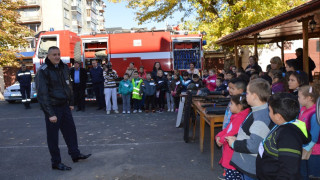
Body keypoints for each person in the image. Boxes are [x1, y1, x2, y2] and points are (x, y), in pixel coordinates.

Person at [36, 46, 91, 171]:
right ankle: (56, 162)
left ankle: (75, 155)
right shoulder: (43, 71)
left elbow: (68, 86)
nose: (57, 57)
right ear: (48, 56)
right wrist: (50, 114)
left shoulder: (64, 67)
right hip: (53, 108)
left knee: (71, 131)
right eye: (54, 54)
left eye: (58, 54)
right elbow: (42, 94)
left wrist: (71, 102)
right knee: (53, 137)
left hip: (65, 106)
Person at [226, 78, 274, 180]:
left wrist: (234, 144)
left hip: (251, 166)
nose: (245, 95)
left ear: (255, 96)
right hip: (247, 163)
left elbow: (253, 145)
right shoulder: (257, 111)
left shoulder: (261, 117)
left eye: (247, 93)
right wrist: (236, 137)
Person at [256, 93, 311, 180]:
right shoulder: (281, 125)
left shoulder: (288, 135)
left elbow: (289, 171)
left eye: (269, 110)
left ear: (278, 116)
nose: (268, 113)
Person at [215, 94, 251, 180]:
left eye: (231, 103)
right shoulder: (236, 116)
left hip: (233, 156)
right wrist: (218, 136)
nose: (230, 106)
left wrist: (221, 140)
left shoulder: (239, 118)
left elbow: (232, 133)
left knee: (232, 176)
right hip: (230, 151)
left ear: (239, 106)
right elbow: (226, 129)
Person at [298, 85, 320, 180]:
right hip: (304, 147)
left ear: (309, 98)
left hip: (313, 151)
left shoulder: (315, 113)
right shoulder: (303, 109)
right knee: (303, 174)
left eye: (299, 97)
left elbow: (314, 136)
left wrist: (306, 148)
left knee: (313, 176)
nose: (297, 99)